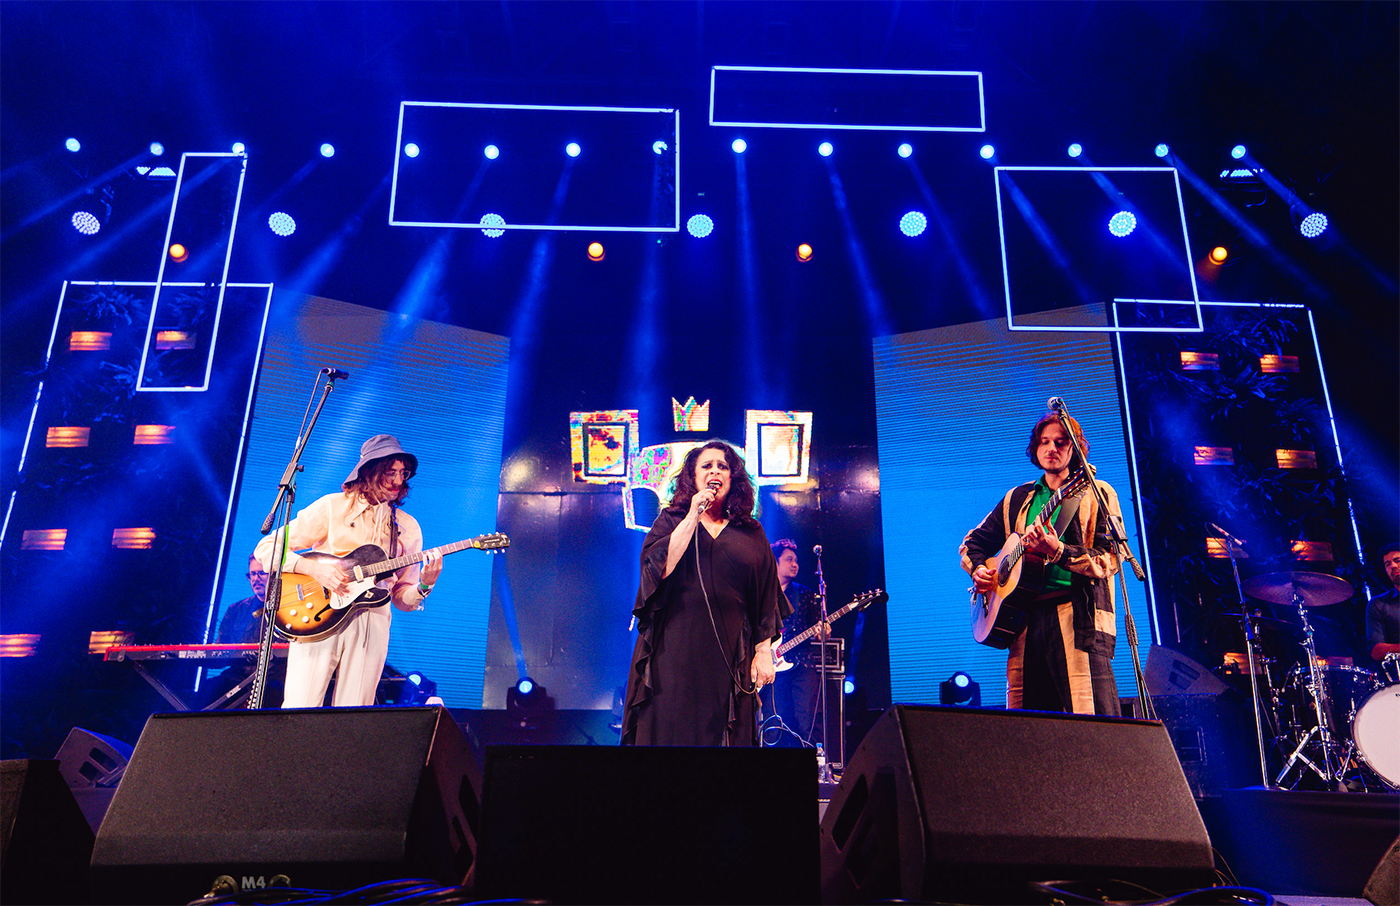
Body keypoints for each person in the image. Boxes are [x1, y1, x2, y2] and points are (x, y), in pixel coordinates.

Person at [621, 439, 790, 746]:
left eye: (722, 466)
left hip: (731, 651)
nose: (715, 471)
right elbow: (657, 569)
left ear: (733, 478)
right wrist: (692, 516)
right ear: (693, 476)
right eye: (707, 466)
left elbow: (766, 594)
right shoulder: (672, 520)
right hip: (675, 648)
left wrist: (764, 650)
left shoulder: (751, 531)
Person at [253, 434, 442, 708]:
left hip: (372, 622)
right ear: (369, 471)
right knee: (299, 707)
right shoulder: (332, 506)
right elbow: (267, 547)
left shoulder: (407, 526)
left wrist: (425, 585)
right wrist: (313, 569)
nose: (399, 481)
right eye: (390, 473)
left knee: (354, 715)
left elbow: (402, 596)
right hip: (319, 614)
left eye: (404, 473)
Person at [959, 411, 1123, 715]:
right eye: (1045, 442)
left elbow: (1110, 559)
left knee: (1091, 718)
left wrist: (1058, 550)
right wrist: (980, 569)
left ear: (1075, 450)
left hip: (1076, 616)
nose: (1052, 449)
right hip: (1024, 620)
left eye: (1061, 443)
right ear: (1035, 449)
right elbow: (973, 543)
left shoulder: (1098, 493)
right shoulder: (1017, 497)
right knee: (1031, 726)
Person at [770, 539, 830, 746]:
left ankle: (815, 766)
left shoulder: (804, 593)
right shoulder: (764, 594)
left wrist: (823, 631)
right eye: (788, 559)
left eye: (796, 560)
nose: (795, 564)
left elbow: (819, 630)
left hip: (803, 664)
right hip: (772, 668)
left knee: (807, 721)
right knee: (777, 721)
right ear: (775, 562)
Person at [216, 554, 269, 644]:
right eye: (252, 574)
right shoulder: (235, 610)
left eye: (261, 573)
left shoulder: (286, 609)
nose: (256, 579)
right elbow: (219, 648)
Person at [1366, 543, 1400, 666]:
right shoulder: (1378, 604)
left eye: (1397, 560)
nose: (1393, 566)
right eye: (1388, 564)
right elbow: (1376, 651)